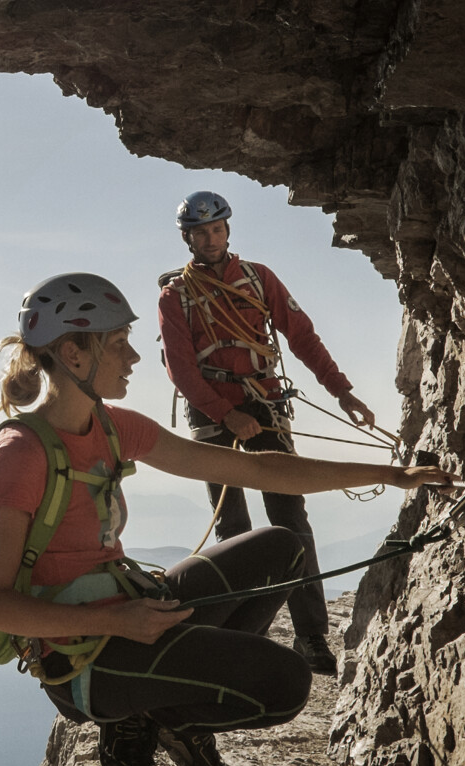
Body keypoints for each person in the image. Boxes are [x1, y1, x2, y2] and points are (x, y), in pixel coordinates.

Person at [0, 272, 449, 766]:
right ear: (73, 354)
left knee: (284, 548)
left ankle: (162, 716)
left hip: (131, 612)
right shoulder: (20, 454)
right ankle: (165, 719)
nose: (134, 357)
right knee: (286, 685)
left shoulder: (113, 427)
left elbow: (262, 470)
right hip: (83, 659)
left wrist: (390, 474)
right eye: (118, 344)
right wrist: (118, 622)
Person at [156, 190, 373, 676]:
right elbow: (181, 369)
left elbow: (302, 335)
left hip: (265, 406)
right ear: (188, 238)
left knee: (290, 518)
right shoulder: (176, 295)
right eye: (200, 232)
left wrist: (343, 392)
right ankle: (240, 635)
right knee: (234, 529)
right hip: (214, 417)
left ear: (228, 230)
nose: (210, 239)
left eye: (216, 229)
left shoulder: (257, 278)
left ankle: (311, 635)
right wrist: (226, 413)